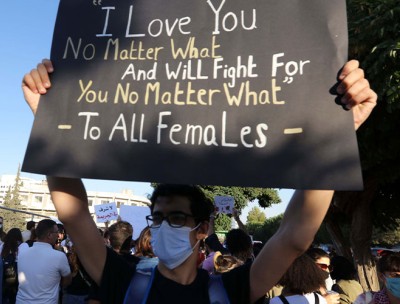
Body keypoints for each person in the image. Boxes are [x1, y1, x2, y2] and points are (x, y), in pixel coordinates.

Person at [21, 58, 376, 303]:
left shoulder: (232, 289)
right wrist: (50, 123)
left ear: (204, 228)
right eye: (157, 218)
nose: (162, 228)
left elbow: (295, 235)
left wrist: (337, 137)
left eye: (176, 218)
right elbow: (75, 216)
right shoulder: (124, 281)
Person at [16, 219, 72, 304]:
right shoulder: (59, 256)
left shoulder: (22, 253)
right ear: (49, 235)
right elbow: (67, 280)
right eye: (56, 232)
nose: (58, 235)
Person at [1, 228, 23, 304]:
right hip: (17, 271)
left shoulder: (3, 245)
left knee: (5, 291)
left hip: (4, 271)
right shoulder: (22, 246)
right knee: (14, 294)